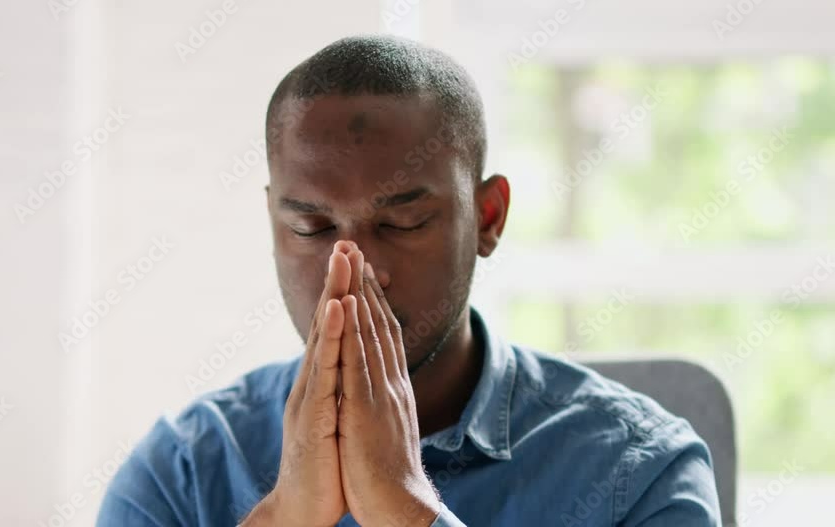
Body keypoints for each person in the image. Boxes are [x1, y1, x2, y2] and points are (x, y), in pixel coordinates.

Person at [96, 35, 721, 526]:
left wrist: (405, 509)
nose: (354, 270)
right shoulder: (179, 474)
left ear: (487, 218)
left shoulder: (640, 470)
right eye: (311, 228)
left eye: (402, 223)